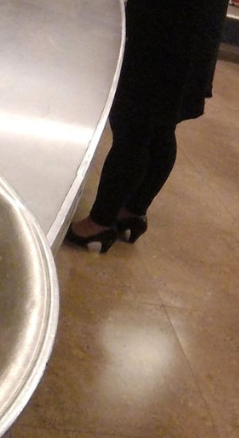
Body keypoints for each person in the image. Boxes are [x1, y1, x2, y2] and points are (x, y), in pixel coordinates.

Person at [65, 0, 230, 253]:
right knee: (161, 126)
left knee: (134, 127)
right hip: (195, 30)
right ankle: (132, 212)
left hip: (163, 30)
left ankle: (100, 223)